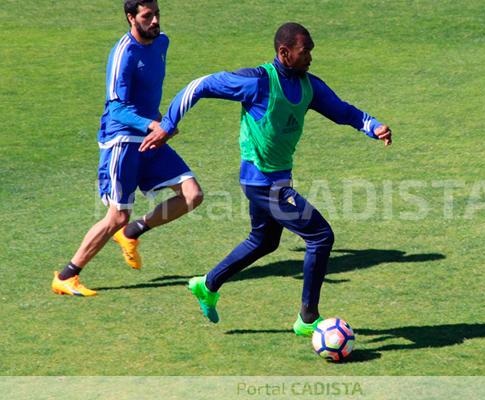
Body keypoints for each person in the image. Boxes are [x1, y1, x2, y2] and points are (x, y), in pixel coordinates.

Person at [141, 22, 392, 335]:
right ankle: (308, 319)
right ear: (284, 53)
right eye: (305, 52)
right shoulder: (257, 82)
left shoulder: (308, 86)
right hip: (263, 184)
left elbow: (343, 112)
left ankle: (208, 285)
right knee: (320, 236)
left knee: (264, 241)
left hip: (276, 182)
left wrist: (374, 126)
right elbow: (200, 85)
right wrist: (168, 124)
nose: (311, 57)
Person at [51, 0, 203, 296]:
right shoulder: (123, 54)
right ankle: (67, 276)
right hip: (121, 139)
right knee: (117, 214)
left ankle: (132, 232)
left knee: (192, 195)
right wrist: (154, 125)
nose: (155, 20)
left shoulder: (161, 43)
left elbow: (145, 94)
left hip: (149, 135)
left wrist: (161, 121)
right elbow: (116, 109)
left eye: (157, 14)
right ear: (131, 18)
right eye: (148, 16)